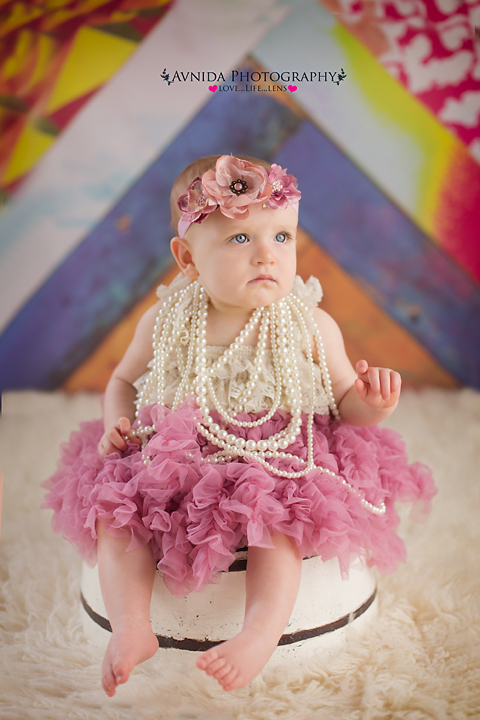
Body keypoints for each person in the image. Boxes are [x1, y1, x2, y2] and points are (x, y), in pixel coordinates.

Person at [44, 154, 436, 698]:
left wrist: (375, 404)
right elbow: (123, 382)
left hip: (276, 455)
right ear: (187, 258)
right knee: (118, 511)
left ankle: (258, 633)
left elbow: (346, 403)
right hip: (175, 447)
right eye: (238, 240)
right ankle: (133, 628)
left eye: (282, 237)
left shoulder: (309, 323)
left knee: (276, 522)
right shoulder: (167, 320)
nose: (266, 256)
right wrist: (119, 427)